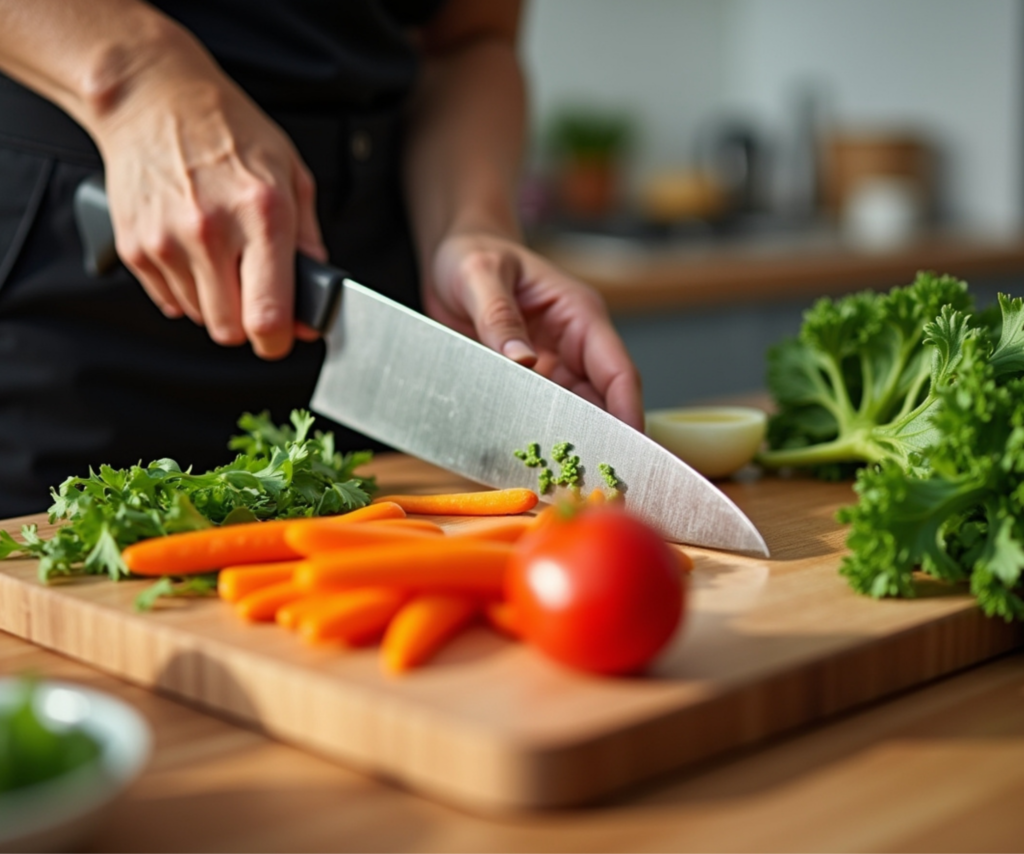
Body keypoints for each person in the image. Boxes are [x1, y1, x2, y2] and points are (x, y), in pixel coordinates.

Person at [0, 0, 642, 517]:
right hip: (79, 297)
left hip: (373, 290)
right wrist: (135, 74)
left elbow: (471, 40)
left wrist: (470, 222)